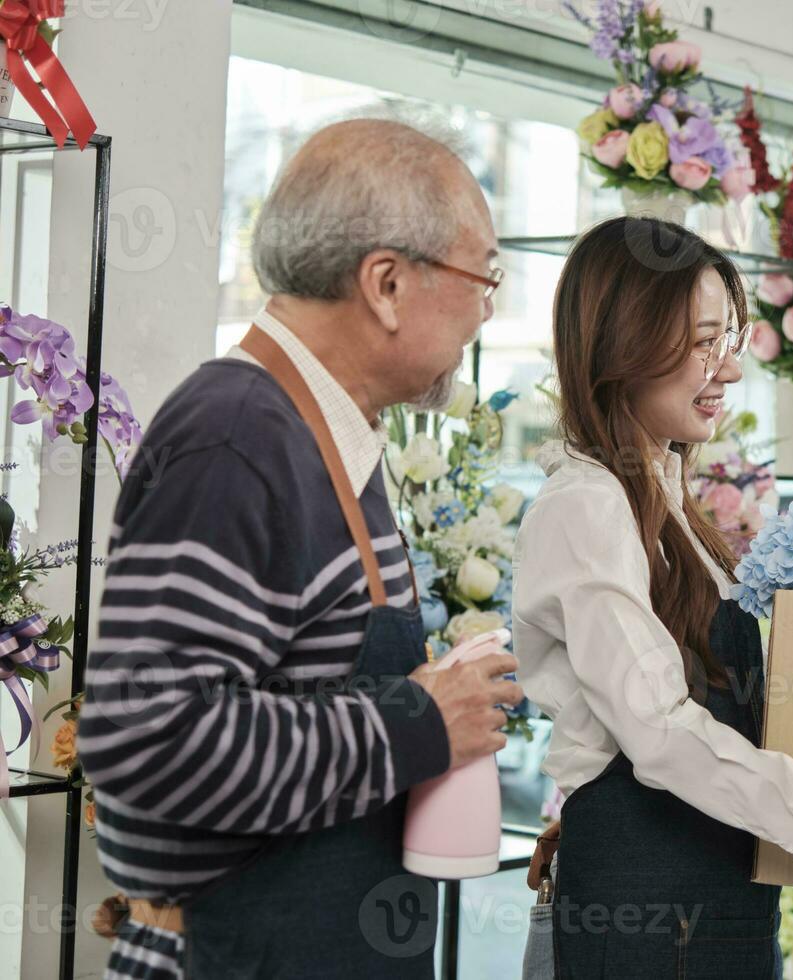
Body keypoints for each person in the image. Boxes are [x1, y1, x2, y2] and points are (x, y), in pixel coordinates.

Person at [77, 118, 522, 980]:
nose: (487, 308)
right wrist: (419, 722)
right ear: (387, 283)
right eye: (483, 275)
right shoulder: (240, 434)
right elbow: (146, 737)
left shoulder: (326, 432)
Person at [512, 217, 793, 978]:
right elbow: (659, 733)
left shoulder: (664, 501)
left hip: (707, 901)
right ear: (624, 343)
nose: (727, 372)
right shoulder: (588, 506)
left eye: (728, 344)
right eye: (702, 344)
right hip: (653, 912)